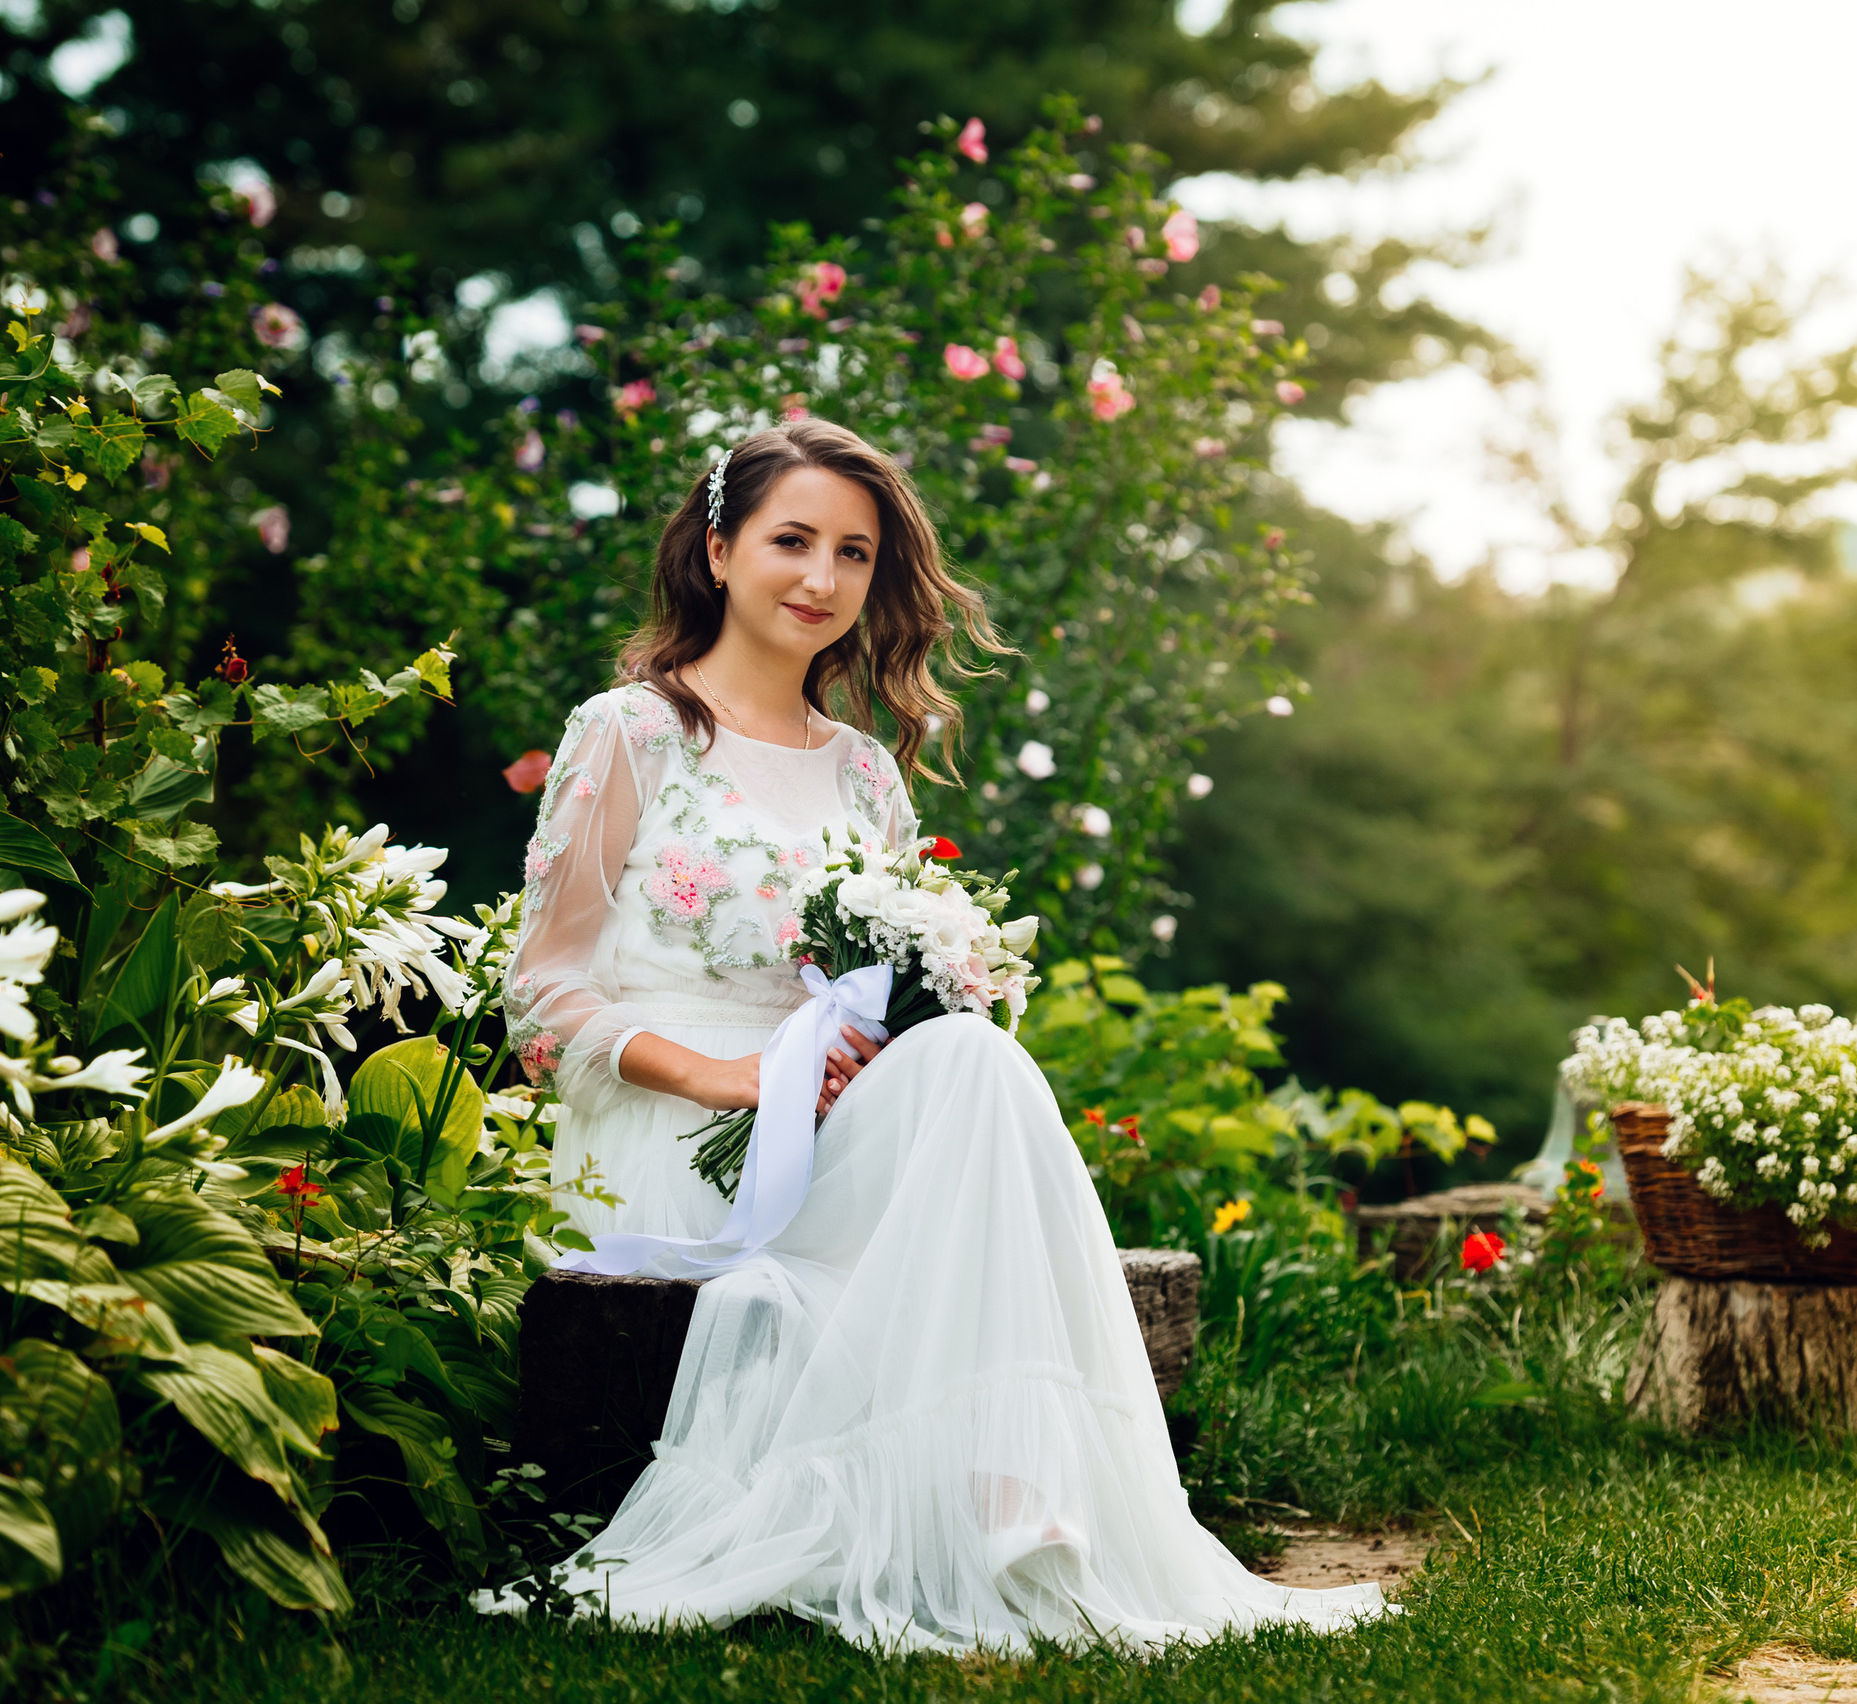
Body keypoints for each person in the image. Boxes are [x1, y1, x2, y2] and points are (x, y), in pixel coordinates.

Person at [489, 418, 1388, 1651]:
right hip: (670, 1131)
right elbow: (540, 993)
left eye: (852, 554)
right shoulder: (632, 731)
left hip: (829, 1125)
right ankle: (1012, 1488)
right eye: (790, 541)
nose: (821, 579)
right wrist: (728, 1077)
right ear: (715, 549)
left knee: (967, 1050)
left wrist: (893, 1033)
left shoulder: (863, 773)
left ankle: (1014, 1493)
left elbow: (895, 988)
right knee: (966, 1074)